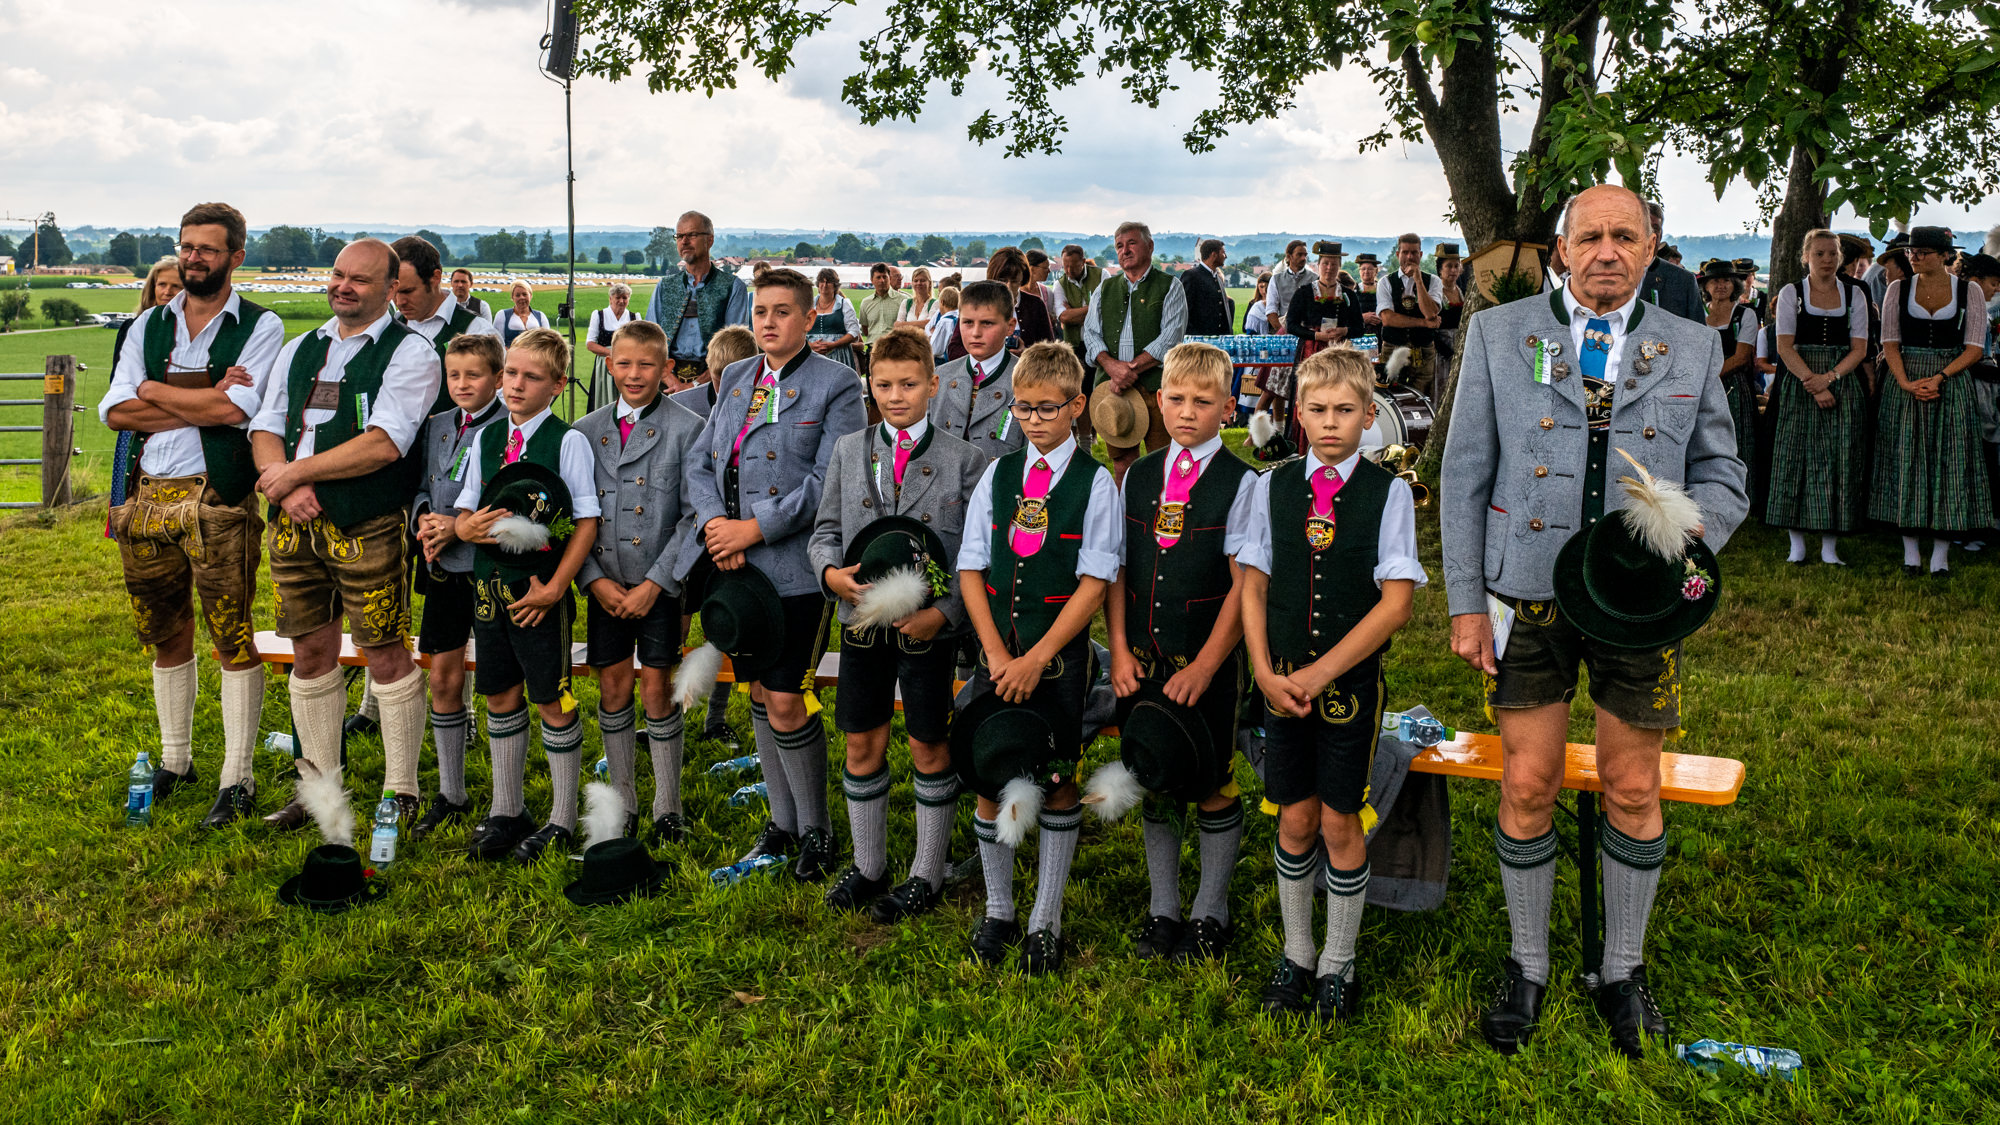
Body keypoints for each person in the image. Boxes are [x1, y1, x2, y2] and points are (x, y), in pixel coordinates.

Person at [1442, 184, 1749, 1058]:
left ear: (1651, 248)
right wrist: (1465, 602)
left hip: (1635, 602)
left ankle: (1623, 971)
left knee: (1633, 787)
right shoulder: (1500, 333)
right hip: (1526, 593)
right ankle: (1528, 964)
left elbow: (1724, 475)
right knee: (1527, 783)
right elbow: (1465, 473)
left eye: (1625, 236)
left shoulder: (1693, 343)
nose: (1607, 251)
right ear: (1562, 250)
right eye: (1590, 237)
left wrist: (1681, 537)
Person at [1242, 346, 1426, 1020]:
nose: (1329, 422)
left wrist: (1321, 672)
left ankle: (1338, 963)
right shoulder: (1271, 487)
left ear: (1369, 415)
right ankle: (1297, 952)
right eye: (1317, 410)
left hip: (1348, 690)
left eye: (1344, 410)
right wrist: (1263, 670)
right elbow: (1253, 584)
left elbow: (1396, 604)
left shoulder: (1388, 493)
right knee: (1294, 816)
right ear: (1297, 414)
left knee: (1338, 820)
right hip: (1280, 683)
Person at [676, 266, 868, 880]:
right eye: (761, 311)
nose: (769, 322)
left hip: (794, 569)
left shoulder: (837, 385)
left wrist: (753, 529)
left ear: (810, 318)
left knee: (787, 698)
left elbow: (830, 480)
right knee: (759, 691)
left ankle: (817, 831)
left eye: (783, 311)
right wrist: (716, 526)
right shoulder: (736, 376)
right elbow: (701, 463)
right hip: (734, 568)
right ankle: (781, 825)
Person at [100, 202, 284, 829]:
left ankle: (238, 777)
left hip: (221, 497)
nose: (193, 257)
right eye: (186, 246)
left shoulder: (261, 325)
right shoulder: (148, 323)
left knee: (231, 634)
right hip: (147, 494)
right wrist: (204, 394)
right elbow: (116, 411)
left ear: (236, 256)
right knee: (165, 632)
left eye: (207, 248)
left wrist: (155, 389)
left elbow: (238, 411)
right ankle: (176, 761)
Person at [248, 238, 444, 829]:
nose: (343, 286)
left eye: (360, 279)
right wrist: (282, 483)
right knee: (309, 651)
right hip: (294, 523)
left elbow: (384, 442)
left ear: (391, 289)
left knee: (383, 651)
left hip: (368, 520)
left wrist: (294, 474)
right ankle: (319, 790)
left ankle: (400, 790)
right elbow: (266, 425)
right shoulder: (300, 348)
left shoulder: (411, 351)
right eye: (338, 274)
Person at [810, 326, 988, 920]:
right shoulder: (848, 450)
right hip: (862, 621)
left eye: (908, 384)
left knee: (927, 743)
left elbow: (976, 553)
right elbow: (825, 531)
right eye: (883, 385)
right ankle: (869, 865)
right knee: (862, 739)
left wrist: (944, 613)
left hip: (928, 629)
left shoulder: (965, 460)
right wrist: (830, 574)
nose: (895, 396)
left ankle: (926, 871)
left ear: (934, 385)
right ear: (870, 385)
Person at [956, 341, 1123, 974]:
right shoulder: (997, 476)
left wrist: (1036, 658)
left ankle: (1044, 920)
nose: (1033, 420)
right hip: (997, 656)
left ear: (1077, 407)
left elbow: (1095, 582)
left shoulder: (1095, 482)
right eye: (1023, 408)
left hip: (1058, 663)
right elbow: (971, 568)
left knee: (1056, 780)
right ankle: (999, 909)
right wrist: (997, 652)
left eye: (1048, 408)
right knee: (988, 769)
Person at [1104, 341, 1257, 963]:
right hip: (1142, 659)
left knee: (1213, 779)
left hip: (1205, 663)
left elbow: (1245, 586)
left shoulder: (1243, 482)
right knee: (1155, 772)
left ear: (1228, 407)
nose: (1187, 411)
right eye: (1176, 398)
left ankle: (1210, 909)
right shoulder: (1137, 477)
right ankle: (1163, 907)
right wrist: (1118, 649)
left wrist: (1206, 665)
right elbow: (1116, 570)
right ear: (1158, 401)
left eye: (1203, 401)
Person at [451, 328, 602, 860]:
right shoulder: (486, 437)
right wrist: (463, 528)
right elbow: (465, 511)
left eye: (531, 377)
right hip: (488, 589)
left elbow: (586, 521)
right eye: (510, 373)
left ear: (558, 385)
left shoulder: (567, 441)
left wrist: (556, 588)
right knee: (499, 694)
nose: (515, 385)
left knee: (550, 698)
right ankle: (507, 809)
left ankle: (562, 818)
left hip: (540, 593)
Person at [576, 319, 706, 843]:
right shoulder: (585, 431)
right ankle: (624, 799)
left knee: (658, 688)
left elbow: (694, 516)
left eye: (647, 364)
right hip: (605, 585)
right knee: (612, 685)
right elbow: (576, 516)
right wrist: (593, 581)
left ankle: (667, 804)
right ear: (609, 364)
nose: (634, 374)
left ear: (666, 368)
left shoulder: (688, 428)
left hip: (659, 586)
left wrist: (656, 583)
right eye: (624, 363)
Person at [406, 333, 508, 838]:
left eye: (474, 374)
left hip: (489, 570)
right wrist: (425, 519)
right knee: (443, 678)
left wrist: (458, 528)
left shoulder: (511, 427)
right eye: (454, 375)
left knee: (499, 684)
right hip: (442, 569)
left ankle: (505, 799)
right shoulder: (438, 425)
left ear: (498, 378)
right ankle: (452, 792)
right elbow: (422, 486)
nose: (462, 384)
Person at [1871, 226, 1992, 578]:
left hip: (1950, 382)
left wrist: (1940, 377)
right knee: (1905, 459)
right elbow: (1890, 343)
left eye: (1922, 252)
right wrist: (1905, 382)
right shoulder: (1898, 289)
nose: (1914, 257)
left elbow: (1974, 348)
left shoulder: (1969, 291)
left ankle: (1940, 555)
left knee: (1949, 462)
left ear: (1944, 256)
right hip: (1905, 380)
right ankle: (1911, 553)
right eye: (1912, 252)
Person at [1767, 230, 1873, 566]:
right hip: (1799, 381)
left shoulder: (1855, 293)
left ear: (1840, 257)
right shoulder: (1792, 293)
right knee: (1794, 457)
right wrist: (1812, 383)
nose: (1827, 260)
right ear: (1806, 257)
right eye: (1819, 254)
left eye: (1832, 253)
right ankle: (1796, 544)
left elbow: (1860, 349)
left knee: (1839, 459)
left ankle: (1830, 546)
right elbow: (1785, 347)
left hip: (1841, 381)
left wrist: (1829, 379)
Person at [1084, 221, 1190, 481]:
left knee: (1161, 463)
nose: (1125, 250)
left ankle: (1160, 507)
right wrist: (1111, 367)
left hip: (1156, 388)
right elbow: (1090, 333)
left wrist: (1128, 370)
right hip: (1114, 389)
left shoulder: (1170, 286)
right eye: (1119, 246)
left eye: (1132, 243)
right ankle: (1124, 508)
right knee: (1122, 465)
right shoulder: (1104, 289)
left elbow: (1170, 339)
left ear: (1150, 246)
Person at [105, 257, 185, 519]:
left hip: (182, 435)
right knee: (129, 500)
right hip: (137, 424)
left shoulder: (192, 331)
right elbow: (120, 385)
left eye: (176, 286)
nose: (167, 291)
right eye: (162, 284)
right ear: (152, 287)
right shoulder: (133, 327)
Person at [645, 210, 753, 385]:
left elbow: (734, 348)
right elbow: (649, 341)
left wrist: (695, 385)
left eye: (692, 235)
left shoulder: (733, 287)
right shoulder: (664, 286)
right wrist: (671, 381)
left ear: (710, 240)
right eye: (679, 236)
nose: (684, 241)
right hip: (666, 382)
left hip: (715, 383)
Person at [391, 235, 497, 409]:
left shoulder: (477, 330)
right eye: (393, 292)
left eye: (408, 291)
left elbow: (497, 400)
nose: (399, 301)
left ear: (435, 277)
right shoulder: (393, 324)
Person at [928, 281, 1025, 460]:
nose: (975, 333)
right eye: (968, 322)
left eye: (987, 323)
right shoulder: (941, 376)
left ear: (1010, 326)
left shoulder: (1027, 381)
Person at [1269, 242, 1366, 418]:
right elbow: (1291, 324)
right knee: (1311, 396)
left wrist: (1344, 331)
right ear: (1318, 265)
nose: (1329, 268)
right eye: (1325, 263)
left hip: (1339, 353)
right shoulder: (1304, 293)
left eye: (1334, 264)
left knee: (1337, 395)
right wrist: (1315, 335)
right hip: (1310, 353)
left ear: (1339, 266)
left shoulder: (1348, 295)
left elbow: (1360, 327)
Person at [1697, 259, 1761, 475]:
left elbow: (1741, 357)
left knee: (1737, 438)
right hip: (1700, 383)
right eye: (1715, 281)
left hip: (1733, 385)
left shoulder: (1745, 314)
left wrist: (1709, 379)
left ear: (1735, 285)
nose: (1721, 285)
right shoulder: (1698, 314)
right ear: (1706, 286)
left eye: (1726, 280)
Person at [1377, 233, 1446, 397]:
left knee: (1422, 398)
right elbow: (1387, 319)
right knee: (1390, 396)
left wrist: (1418, 281)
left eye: (1414, 252)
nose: (1410, 257)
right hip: (1393, 349)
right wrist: (1424, 323)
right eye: (1405, 252)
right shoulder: (1385, 282)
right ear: (1398, 254)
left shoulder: (1433, 281)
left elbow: (1430, 312)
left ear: (1420, 254)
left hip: (1423, 351)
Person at [982, 246, 1057, 353]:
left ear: (1022, 280)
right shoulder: (978, 303)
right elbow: (958, 348)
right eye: (1002, 280)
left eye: (1014, 281)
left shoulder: (1036, 304)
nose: (1008, 287)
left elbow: (1049, 349)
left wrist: (1026, 354)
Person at [1640, 201, 1704, 322]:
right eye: (1645, 227)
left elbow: (1698, 330)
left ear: (1660, 235)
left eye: (1655, 229)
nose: (1650, 234)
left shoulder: (1683, 281)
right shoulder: (1610, 274)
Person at [584, 282, 640, 407]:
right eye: (617, 297)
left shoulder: (634, 317)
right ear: (610, 299)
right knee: (604, 399)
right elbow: (590, 344)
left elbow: (640, 344)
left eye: (625, 298)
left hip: (628, 365)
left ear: (628, 299)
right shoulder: (598, 315)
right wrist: (612, 354)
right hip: (605, 364)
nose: (621, 301)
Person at [1052, 244, 1104, 366]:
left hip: (1101, 343)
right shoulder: (1059, 285)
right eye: (1066, 266)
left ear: (1083, 262)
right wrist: (1094, 307)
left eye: (1074, 266)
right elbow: (1064, 317)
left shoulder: (1102, 275)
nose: (1069, 270)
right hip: (1073, 346)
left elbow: (1106, 310)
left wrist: (1073, 312)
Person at [808, 268, 862, 371]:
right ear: (818, 284)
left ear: (835, 285)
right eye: (822, 281)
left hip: (838, 356)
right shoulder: (809, 305)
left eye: (828, 282)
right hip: (812, 356)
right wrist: (810, 345)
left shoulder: (844, 304)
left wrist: (834, 344)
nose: (824, 285)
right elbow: (798, 331)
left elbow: (854, 332)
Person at [856, 262, 904, 371]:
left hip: (896, 352)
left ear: (889, 278)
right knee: (873, 381)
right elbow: (865, 329)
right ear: (872, 280)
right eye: (878, 277)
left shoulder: (902, 300)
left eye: (884, 277)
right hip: (873, 352)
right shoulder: (866, 302)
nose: (882, 280)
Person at [1181, 238, 1233, 336]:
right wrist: (1195, 338)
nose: (1225, 256)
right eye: (1223, 253)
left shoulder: (1218, 277)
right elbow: (1183, 312)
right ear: (1214, 255)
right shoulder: (1191, 276)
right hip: (1199, 340)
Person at [1266, 241, 1312, 336]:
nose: (1303, 258)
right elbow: (1271, 311)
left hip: (1309, 333)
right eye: (1299, 254)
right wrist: (1283, 332)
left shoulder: (1315, 278)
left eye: (1305, 255)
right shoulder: (1276, 279)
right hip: (1285, 331)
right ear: (1289, 256)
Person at [1436, 242, 1467, 359]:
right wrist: (1447, 352)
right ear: (1440, 269)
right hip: (1442, 352)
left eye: (1456, 266)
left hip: (1463, 348)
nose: (1453, 270)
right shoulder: (1434, 293)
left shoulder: (1464, 292)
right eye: (1449, 266)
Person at [497, 282, 548, 348]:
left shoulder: (541, 316)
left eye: (524, 294)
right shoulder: (502, 315)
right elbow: (498, 342)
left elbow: (547, 342)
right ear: (512, 298)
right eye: (517, 295)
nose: (521, 297)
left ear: (530, 295)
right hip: (510, 353)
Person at [894, 267, 937, 331]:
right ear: (912, 283)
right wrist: (922, 324)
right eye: (916, 281)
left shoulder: (935, 303)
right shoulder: (906, 303)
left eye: (922, 280)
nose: (919, 283)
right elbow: (897, 326)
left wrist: (903, 324)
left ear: (930, 283)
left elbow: (930, 323)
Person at [928, 286, 961, 362]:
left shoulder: (944, 322)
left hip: (942, 361)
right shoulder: (959, 318)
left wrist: (931, 337)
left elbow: (935, 349)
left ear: (942, 302)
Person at [1354, 254, 1382, 328]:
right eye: (1363, 269)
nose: (1366, 271)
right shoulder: (1353, 290)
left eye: (1370, 269)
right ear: (1359, 271)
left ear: (1376, 271)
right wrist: (1362, 318)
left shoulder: (1382, 288)